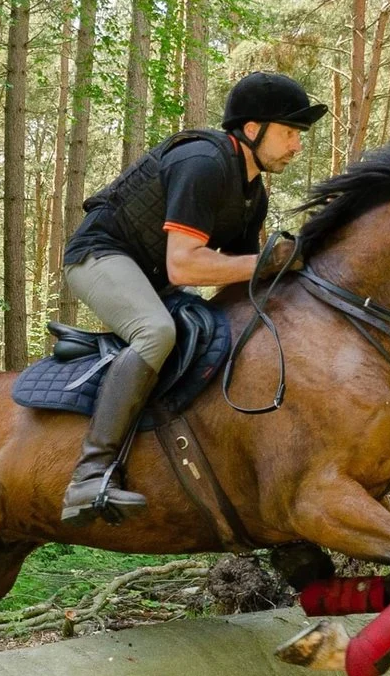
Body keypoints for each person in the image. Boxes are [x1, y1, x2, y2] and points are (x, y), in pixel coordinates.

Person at [54, 71, 325, 523]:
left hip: (154, 278)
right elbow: (185, 265)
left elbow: (242, 284)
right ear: (253, 129)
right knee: (155, 331)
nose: (298, 145)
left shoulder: (251, 193)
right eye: (290, 132)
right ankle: (89, 476)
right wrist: (269, 261)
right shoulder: (203, 162)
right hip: (99, 256)